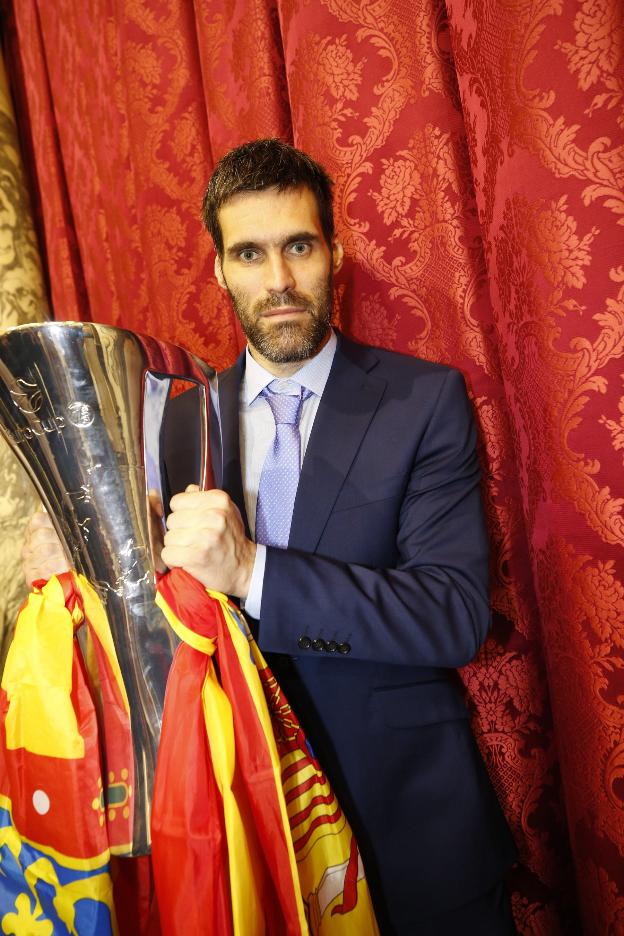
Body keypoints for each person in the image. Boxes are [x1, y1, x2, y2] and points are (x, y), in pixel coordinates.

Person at [23, 139, 517, 934]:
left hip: (414, 836)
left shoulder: (423, 401)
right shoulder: (168, 419)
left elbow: (454, 614)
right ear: (219, 269)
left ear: (335, 253)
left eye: (299, 246)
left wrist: (252, 570)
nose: (279, 281)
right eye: (250, 253)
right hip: (249, 843)